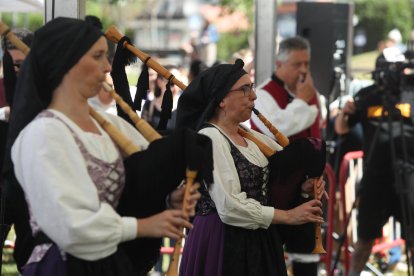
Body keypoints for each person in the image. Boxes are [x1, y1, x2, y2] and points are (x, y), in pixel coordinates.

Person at [3, 17, 203, 275]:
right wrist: (145, 226)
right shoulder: (42, 134)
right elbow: (70, 227)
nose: (108, 67)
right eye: (98, 56)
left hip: (110, 262)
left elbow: (123, 195)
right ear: (66, 62)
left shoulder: (110, 127)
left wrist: (168, 200)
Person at [176, 59, 324, 276]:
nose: (253, 95)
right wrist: (289, 216)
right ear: (222, 101)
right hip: (221, 240)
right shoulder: (210, 137)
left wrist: (304, 187)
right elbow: (229, 207)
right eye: (244, 90)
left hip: (258, 238)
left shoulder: (251, 137)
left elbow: (273, 185)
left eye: (251, 88)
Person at [250, 36, 324, 275]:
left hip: (308, 190)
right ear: (279, 64)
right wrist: (302, 102)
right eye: (296, 64)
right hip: (276, 191)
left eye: (306, 64)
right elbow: (277, 129)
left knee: (306, 257)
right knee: (269, 257)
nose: (303, 71)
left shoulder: (311, 94)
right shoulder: (262, 95)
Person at [335, 76, 414, 275]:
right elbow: (341, 128)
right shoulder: (368, 94)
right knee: (365, 239)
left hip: (408, 176)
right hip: (375, 178)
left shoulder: (410, 92)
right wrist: (345, 112)